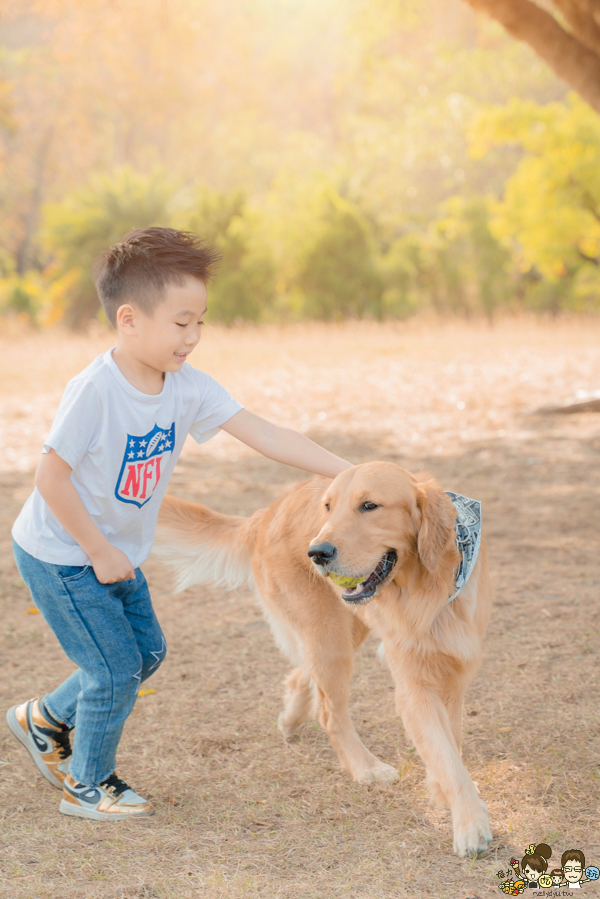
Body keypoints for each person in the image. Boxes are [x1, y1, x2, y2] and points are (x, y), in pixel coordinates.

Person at [6, 227, 353, 821]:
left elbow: (266, 434)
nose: (192, 337)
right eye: (180, 322)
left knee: (146, 652)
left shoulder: (186, 387)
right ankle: (87, 785)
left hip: (111, 552)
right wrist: (96, 549)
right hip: (64, 554)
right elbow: (50, 479)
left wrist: (352, 474)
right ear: (129, 319)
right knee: (114, 668)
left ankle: (44, 718)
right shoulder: (96, 390)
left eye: (201, 322)